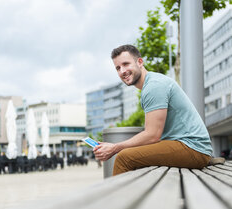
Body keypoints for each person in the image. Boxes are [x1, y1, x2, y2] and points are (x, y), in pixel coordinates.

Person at [94, 44, 221, 176]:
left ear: (140, 62)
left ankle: (119, 197)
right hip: (189, 147)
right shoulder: (151, 84)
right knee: (132, 154)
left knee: (124, 158)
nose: (122, 71)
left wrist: (114, 148)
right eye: (118, 68)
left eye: (126, 64)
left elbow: (152, 135)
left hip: (193, 149)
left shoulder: (154, 86)